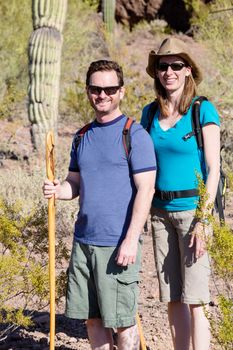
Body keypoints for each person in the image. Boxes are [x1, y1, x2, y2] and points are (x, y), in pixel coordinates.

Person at [43, 59, 156, 350]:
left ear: (121, 92)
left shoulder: (134, 135)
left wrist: (131, 240)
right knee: (92, 319)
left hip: (118, 243)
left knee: (122, 320)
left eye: (109, 89)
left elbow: (146, 190)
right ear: (87, 91)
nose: (102, 95)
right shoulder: (82, 137)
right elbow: (75, 185)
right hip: (83, 242)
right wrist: (58, 189)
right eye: (96, 89)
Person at [141, 37, 220, 350]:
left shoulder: (202, 110)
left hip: (192, 214)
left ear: (188, 69)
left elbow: (214, 169)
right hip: (159, 213)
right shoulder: (149, 114)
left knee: (196, 298)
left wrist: (203, 219)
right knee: (172, 297)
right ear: (157, 72)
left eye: (176, 65)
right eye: (163, 66)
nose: (169, 71)